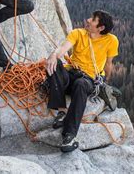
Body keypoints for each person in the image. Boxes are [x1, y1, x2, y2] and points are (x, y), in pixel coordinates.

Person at [46, 10, 119, 152]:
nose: (88, 20)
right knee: (54, 66)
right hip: (72, 73)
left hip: (89, 79)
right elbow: (63, 49)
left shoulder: (111, 40)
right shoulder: (78, 33)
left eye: (93, 19)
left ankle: (69, 135)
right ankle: (61, 111)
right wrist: (54, 55)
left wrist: (105, 81)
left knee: (81, 85)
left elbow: (109, 63)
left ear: (101, 28)